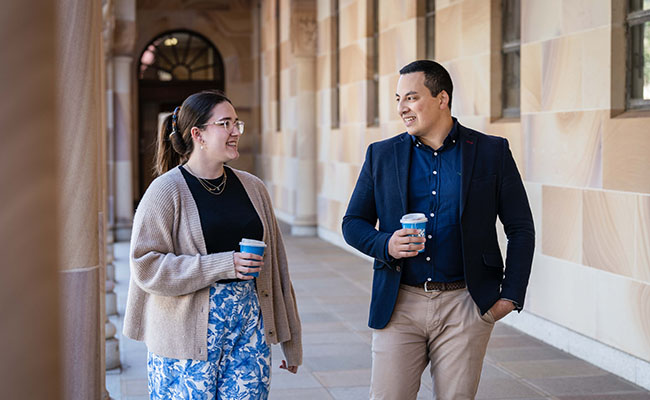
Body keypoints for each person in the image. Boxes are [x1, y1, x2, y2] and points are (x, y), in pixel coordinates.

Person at [342, 60, 534, 400]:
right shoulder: (381, 155)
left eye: (411, 98)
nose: (402, 108)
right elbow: (352, 223)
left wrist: (510, 296)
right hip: (399, 303)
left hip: (465, 303)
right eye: (398, 99)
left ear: (441, 98)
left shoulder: (491, 152)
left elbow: (520, 228)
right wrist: (386, 244)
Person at [123, 90, 302, 399]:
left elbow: (278, 267)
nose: (235, 132)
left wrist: (291, 338)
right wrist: (224, 263)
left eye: (237, 123)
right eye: (225, 124)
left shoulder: (253, 187)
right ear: (198, 134)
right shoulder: (166, 191)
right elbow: (145, 266)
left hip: (249, 331)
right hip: (185, 338)